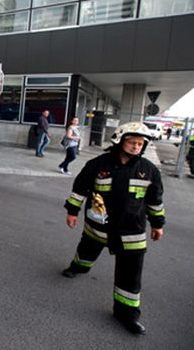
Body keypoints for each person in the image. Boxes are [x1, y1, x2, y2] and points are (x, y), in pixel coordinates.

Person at [61, 122, 165, 335]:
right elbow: (80, 188)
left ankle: (126, 314)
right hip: (98, 225)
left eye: (140, 143)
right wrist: (72, 211)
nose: (136, 147)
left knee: (131, 274)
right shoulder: (97, 164)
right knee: (87, 250)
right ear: (120, 141)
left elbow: (155, 200)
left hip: (132, 232)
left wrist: (157, 224)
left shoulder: (149, 170)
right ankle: (78, 267)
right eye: (132, 142)